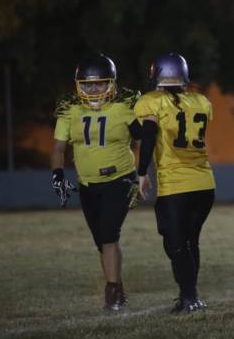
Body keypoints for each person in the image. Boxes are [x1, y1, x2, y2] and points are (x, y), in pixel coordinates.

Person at [51, 53, 141, 312]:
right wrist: (57, 175)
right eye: (88, 84)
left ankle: (111, 293)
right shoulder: (70, 109)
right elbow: (58, 148)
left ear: (111, 83)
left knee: (109, 234)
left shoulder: (124, 106)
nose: (93, 89)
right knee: (102, 241)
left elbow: (141, 140)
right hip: (87, 183)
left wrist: (141, 172)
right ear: (79, 85)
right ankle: (118, 286)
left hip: (120, 178)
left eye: (99, 83)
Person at [135, 53, 215, 314]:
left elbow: (147, 135)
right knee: (191, 241)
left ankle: (189, 296)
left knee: (176, 243)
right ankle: (189, 296)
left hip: (176, 184)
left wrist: (142, 171)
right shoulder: (201, 101)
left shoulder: (152, 101)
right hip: (204, 183)